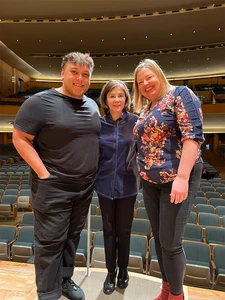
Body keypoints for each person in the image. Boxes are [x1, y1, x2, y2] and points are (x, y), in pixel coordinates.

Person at [12, 52, 101, 300]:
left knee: (71, 238)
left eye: (85, 74)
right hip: (54, 186)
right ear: (63, 72)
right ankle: (48, 293)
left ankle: (64, 280)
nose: (80, 79)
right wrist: (43, 173)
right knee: (50, 243)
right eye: (74, 72)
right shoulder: (39, 102)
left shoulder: (92, 104)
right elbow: (19, 138)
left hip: (84, 188)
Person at [133, 59, 204, 300]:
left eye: (149, 77)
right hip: (151, 182)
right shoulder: (147, 107)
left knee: (171, 243)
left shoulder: (180, 94)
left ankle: (177, 296)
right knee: (160, 240)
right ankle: (165, 291)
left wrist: (182, 178)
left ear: (159, 75)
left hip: (176, 178)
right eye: (140, 82)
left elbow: (192, 136)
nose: (145, 83)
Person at [95, 80, 138, 295]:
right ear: (105, 99)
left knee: (125, 230)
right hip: (104, 185)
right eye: (112, 95)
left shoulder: (135, 122)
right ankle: (110, 273)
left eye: (121, 95)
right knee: (109, 230)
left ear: (126, 99)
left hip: (128, 185)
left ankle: (123, 270)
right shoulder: (99, 124)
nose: (117, 99)